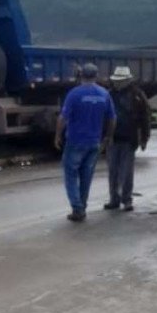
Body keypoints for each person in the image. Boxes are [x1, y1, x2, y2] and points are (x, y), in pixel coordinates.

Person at [54, 63, 116, 222]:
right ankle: (82, 205)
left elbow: (63, 117)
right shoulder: (104, 94)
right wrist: (108, 137)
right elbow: (112, 118)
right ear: (96, 76)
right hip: (94, 142)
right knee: (86, 176)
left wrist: (57, 136)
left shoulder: (74, 94)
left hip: (75, 141)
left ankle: (77, 208)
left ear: (81, 75)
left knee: (70, 175)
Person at [104, 66, 151, 212]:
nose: (118, 83)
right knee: (113, 171)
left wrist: (144, 138)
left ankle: (126, 199)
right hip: (112, 139)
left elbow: (145, 118)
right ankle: (114, 199)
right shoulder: (109, 95)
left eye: (121, 80)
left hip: (129, 139)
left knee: (126, 171)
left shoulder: (137, 95)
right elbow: (103, 117)